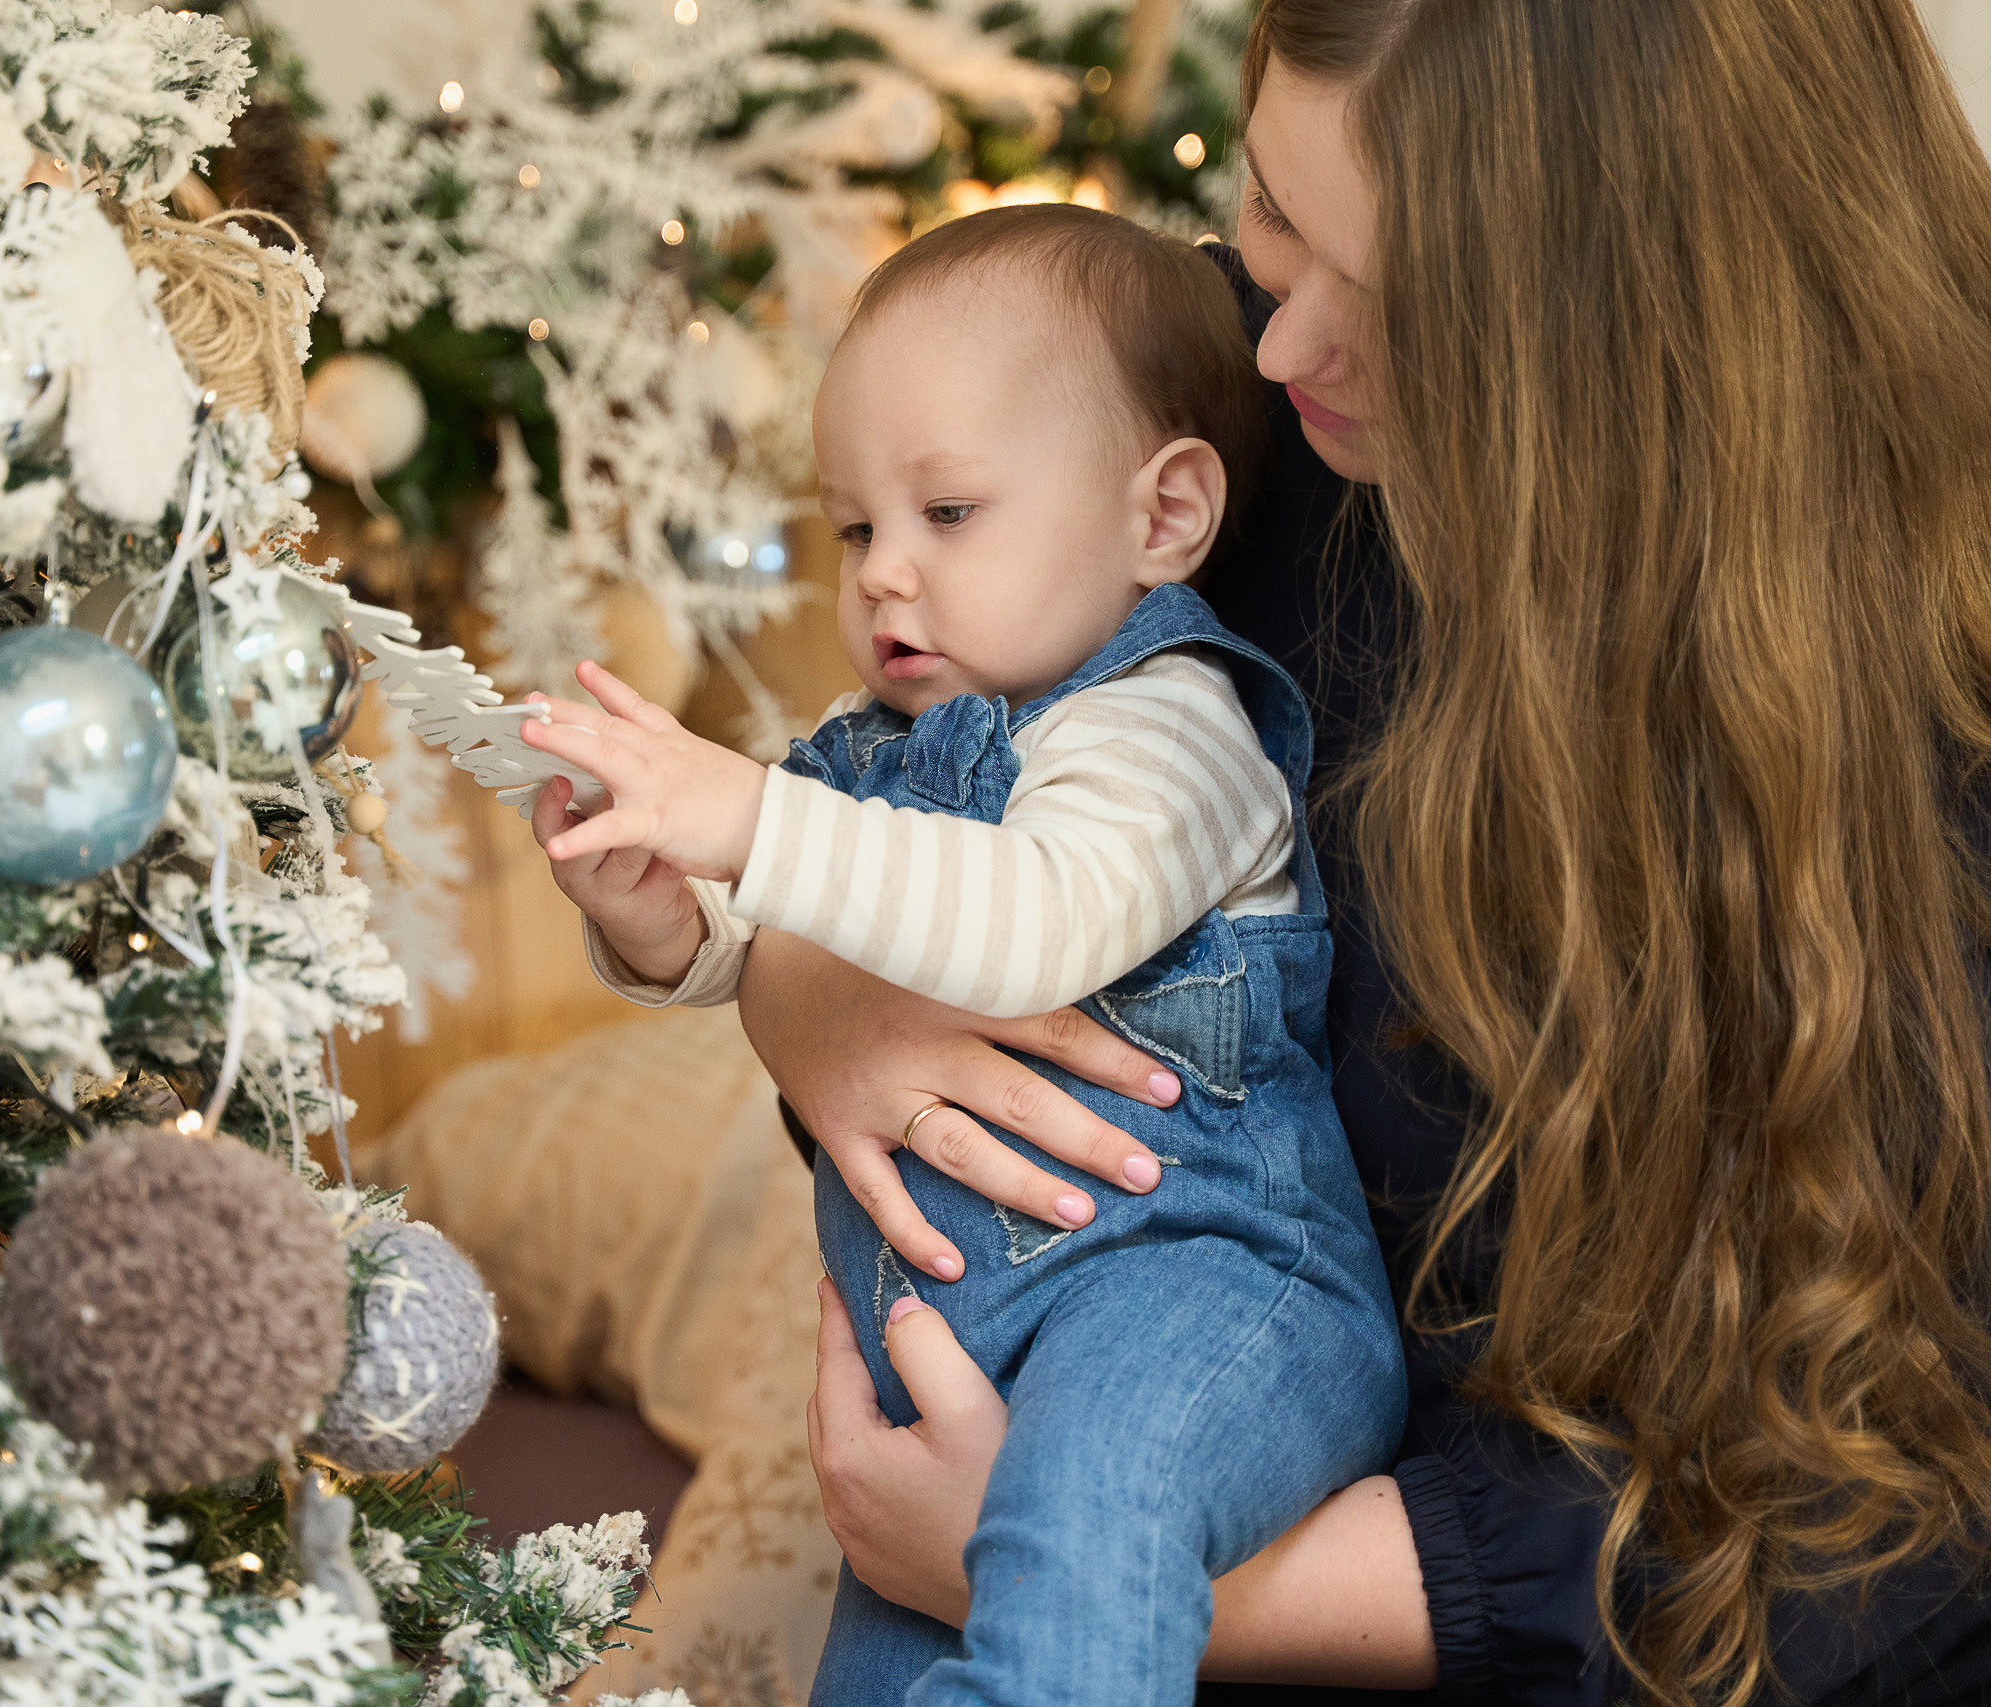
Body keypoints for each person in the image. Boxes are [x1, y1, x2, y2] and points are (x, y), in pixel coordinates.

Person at [769, 1, 1991, 1702]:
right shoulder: (1213, 415)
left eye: (1409, 308)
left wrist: (1106, 1559)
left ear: (1656, 337)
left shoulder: (1939, 733)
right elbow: (931, 767)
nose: (1281, 352)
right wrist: (804, 996)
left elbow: (1907, 1529)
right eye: (1274, 211)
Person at [518, 204, 1406, 1703]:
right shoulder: (887, 752)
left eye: (949, 515)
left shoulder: (1170, 723)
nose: (878, 575)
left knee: (1081, 1528)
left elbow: (1034, 919)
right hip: (973, 1334)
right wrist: (658, 911)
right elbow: (777, 936)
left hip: (1204, 1289)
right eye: (856, 525)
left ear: (1164, 518)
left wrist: (746, 816)